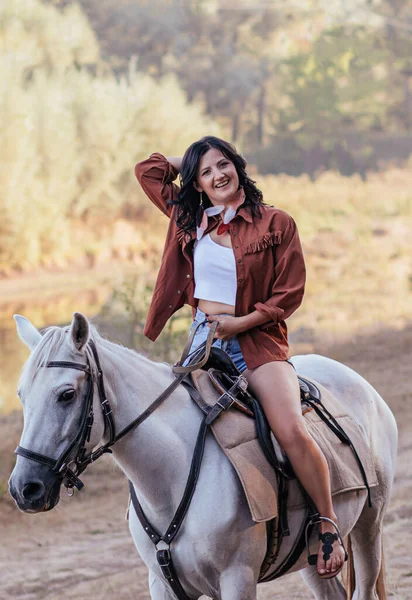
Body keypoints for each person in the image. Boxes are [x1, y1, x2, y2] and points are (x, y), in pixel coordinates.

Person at [134, 135, 346, 578]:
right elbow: (148, 171)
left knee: (289, 428)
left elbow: (290, 294)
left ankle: (326, 524)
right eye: (206, 172)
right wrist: (188, 161)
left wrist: (241, 323)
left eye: (223, 164)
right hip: (201, 340)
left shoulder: (276, 223)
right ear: (198, 182)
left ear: (238, 165)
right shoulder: (191, 218)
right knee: (174, 425)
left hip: (257, 339)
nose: (218, 175)